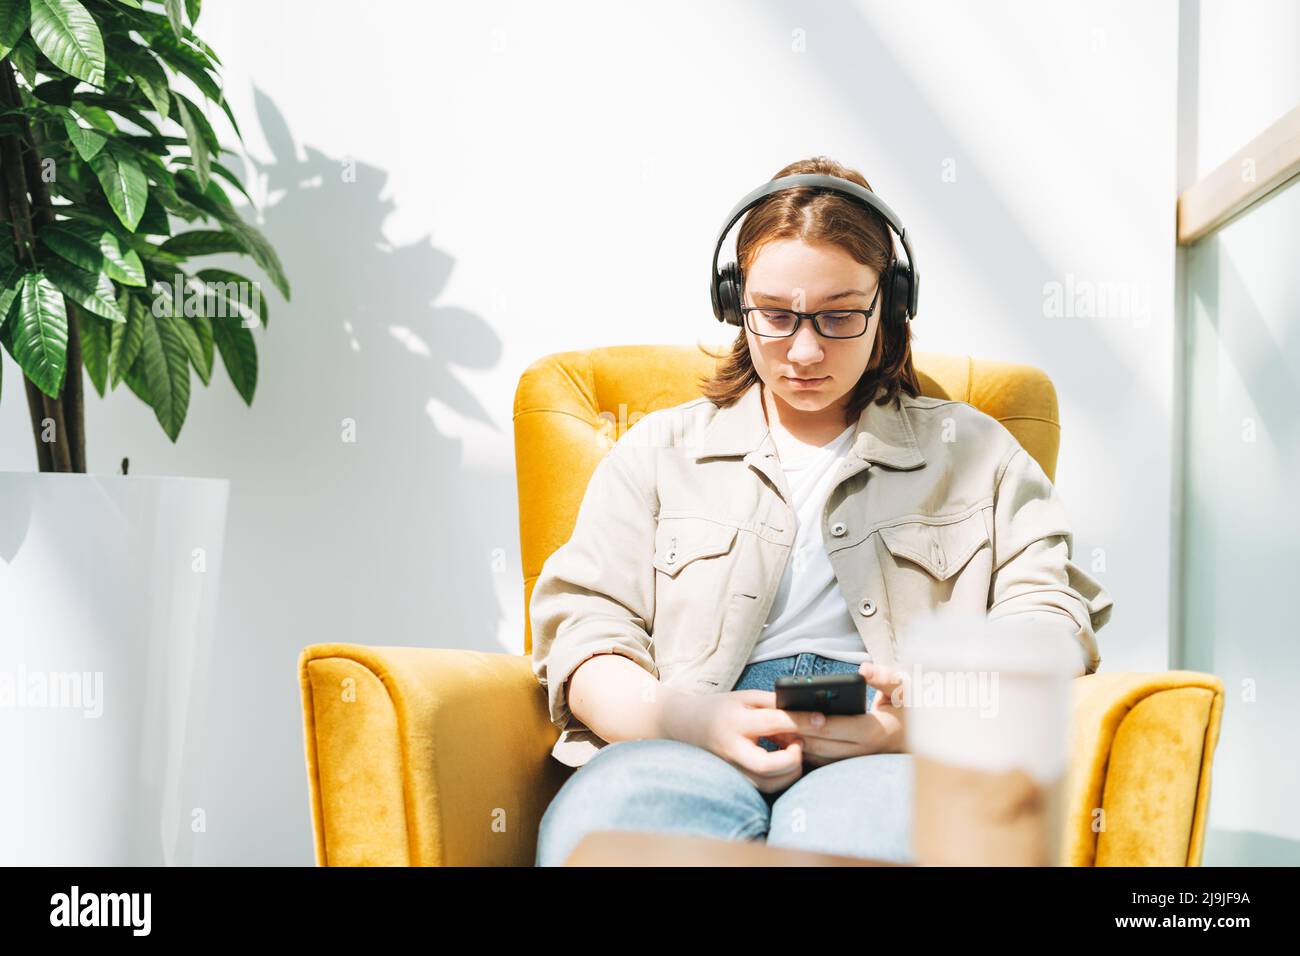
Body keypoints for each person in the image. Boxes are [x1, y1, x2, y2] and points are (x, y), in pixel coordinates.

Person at [529, 156, 1113, 867]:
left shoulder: (979, 453)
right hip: (683, 735)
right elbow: (584, 633)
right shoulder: (658, 450)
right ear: (733, 303)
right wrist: (684, 718)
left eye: (839, 316)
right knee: (608, 835)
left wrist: (921, 719)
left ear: (891, 303)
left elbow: (1048, 624)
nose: (803, 351)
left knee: (886, 842)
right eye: (774, 316)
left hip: (889, 752)